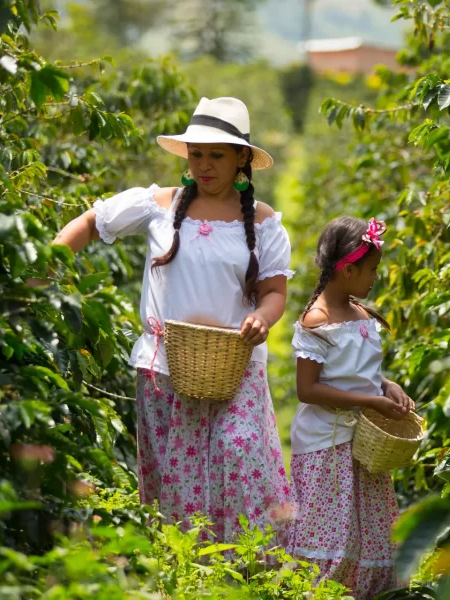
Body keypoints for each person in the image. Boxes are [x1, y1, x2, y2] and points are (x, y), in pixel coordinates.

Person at [47, 97, 295, 542]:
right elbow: (91, 221)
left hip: (234, 365)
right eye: (195, 154)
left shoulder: (261, 221)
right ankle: (188, 571)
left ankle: (248, 564)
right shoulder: (160, 205)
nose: (203, 165)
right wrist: (43, 267)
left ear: (241, 158)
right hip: (165, 368)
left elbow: (274, 292)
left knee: (238, 455)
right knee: (177, 478)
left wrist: (262, 317)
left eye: (216, 155)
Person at [287, 216, 414, 599]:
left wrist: (387, 386)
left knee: (369, 530)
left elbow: (363, 372)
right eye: (372, 269)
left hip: (363, 444)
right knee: (333, 531)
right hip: (328, 444)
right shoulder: (318, 321)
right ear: (347, 269)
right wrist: (368, 400)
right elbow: (307, 390)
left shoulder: (361, 315)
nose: (376, 277)